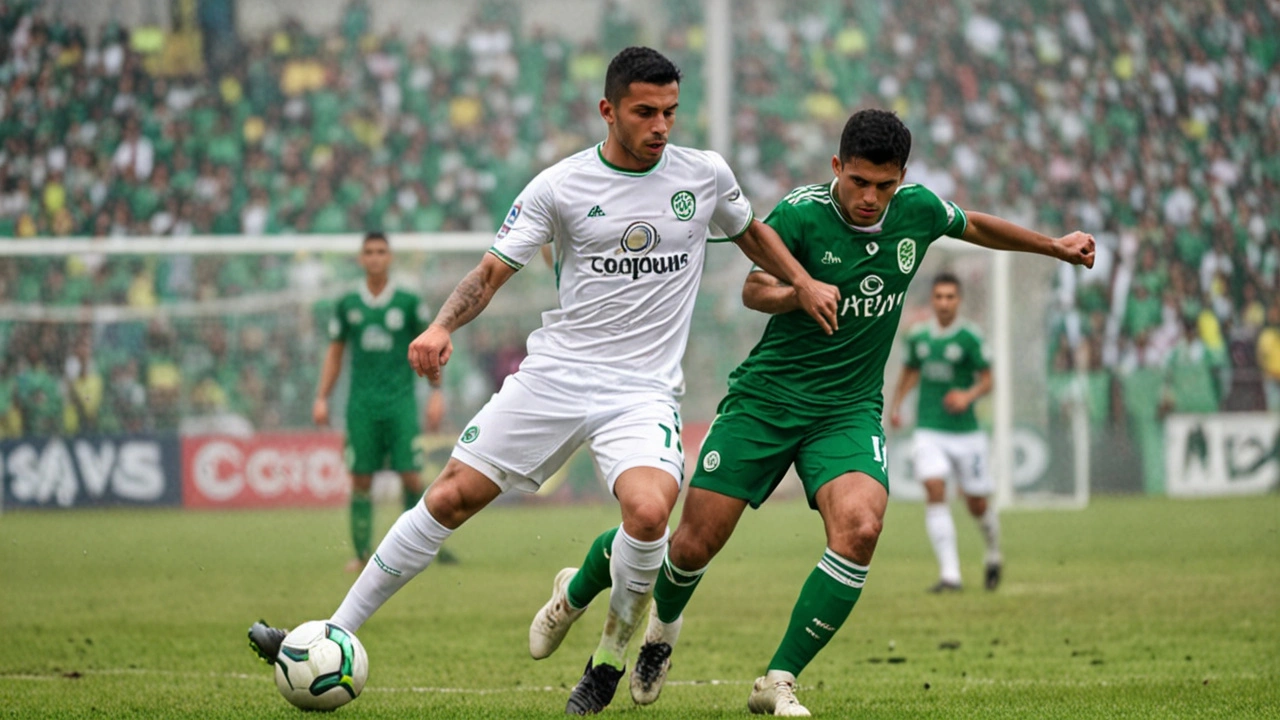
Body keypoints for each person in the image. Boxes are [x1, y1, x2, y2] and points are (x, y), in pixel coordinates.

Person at [248, 47, 840, 716]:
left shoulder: (703, 175)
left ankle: (607, 663)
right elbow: (491, 272)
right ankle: (333, 632)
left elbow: (751, 232)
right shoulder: (559, 186)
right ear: (608, 110)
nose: (661, 126)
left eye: (671, 112)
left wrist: (803, 280)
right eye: (645, 112)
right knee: (448, 497)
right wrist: (442, 326)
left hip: (641, 391)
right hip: (556, 376)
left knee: (649, 515)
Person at [623, 109, 1095, 716]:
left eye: (885, 185)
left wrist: (1052, 246)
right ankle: (661, 631)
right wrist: (800, 290)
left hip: (847, 409)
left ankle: (779, 678)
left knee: (862, 529)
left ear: (901, 179)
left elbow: (973, 224)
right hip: (766, 401)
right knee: (692, 544)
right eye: (859, 183)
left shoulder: (917, 210)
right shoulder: (799, 213)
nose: (871, 198)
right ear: (837, 167)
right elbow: (751, 290)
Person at [313, 231, 449, 572]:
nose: (374, 257)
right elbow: (335, 353)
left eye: (381, 252)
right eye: (369, 252)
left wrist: (436, 394)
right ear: (361, 259)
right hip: (361, 405)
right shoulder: (348, 304)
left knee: (411, 477)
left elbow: (430, 346)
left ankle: (417, 551)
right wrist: (321, 398)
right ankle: (361, 555)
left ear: (390, 258)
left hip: (401, 403)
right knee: (360, 479)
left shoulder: (407, 301)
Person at [887, 272, 1000, 594]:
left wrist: (967, 396)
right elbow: (909, 373)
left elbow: (989, 380)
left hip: (967, 433)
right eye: (939, 297)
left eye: (951, 297)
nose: (945, 303)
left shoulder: (970, 338)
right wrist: (897, 406)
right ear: (932, 300)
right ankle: (951, 575)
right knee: (934, 489)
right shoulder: (919, 338)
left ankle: (993, 552)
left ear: (959, 301)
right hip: (929, 429)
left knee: (976, 503)